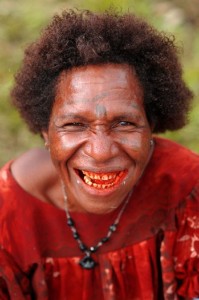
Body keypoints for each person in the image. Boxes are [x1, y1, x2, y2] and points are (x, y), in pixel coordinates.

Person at [0, 9, 198, 300]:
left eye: (124, 123)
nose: (101, 152)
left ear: (151, 125)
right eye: (75, 124)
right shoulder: (7, 214)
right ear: (45, 131)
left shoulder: (187, 188)